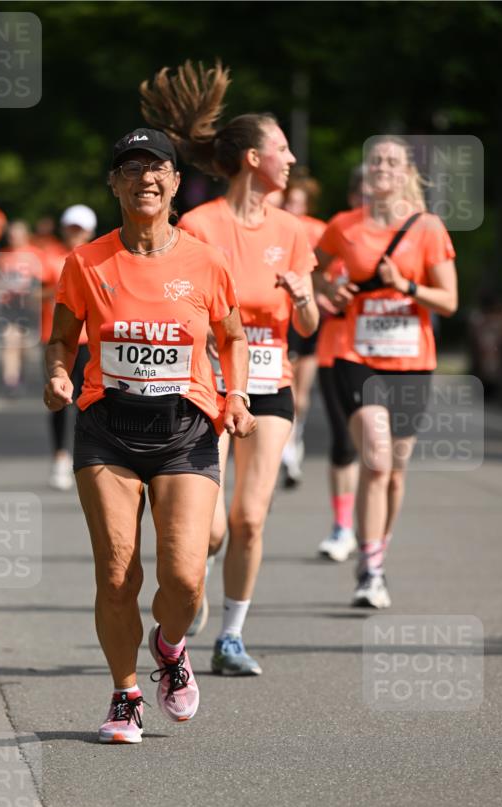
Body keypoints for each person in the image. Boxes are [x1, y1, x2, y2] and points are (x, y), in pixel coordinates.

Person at [43, 126, 255, 744]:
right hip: (107, 429)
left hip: (184, 429)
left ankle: (169, 646)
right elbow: (61, 337)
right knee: (117, 574)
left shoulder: (204, 261)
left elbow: (234, 337)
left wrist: (237, 395)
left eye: (156, 168)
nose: (145, 179)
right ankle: (126, 695)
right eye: (131, 169)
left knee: (185, 579)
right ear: (114, 184)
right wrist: (58, 373)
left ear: (175, 183)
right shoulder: (86, 262)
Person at [140, 60, 319, 672]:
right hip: (208, 387)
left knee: (249, 518)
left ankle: (232, 637)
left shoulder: (293, 230)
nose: (291, 159)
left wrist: (302, 300)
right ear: (251, 158)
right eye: (282, 149)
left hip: (270, 385)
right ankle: (195, 579)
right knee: (209, 529)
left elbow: (309, 328)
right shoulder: (199, 226)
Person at [315, 136, 457, 607]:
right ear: (367, 171)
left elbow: (449, 301)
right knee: (375, 456)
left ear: (404, 174)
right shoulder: (343, 226)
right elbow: (316, 268)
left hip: (412, 362)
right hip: (357, 358)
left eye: (392, 161)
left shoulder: (428, 228)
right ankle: (370, 571)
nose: (381, 166)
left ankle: (376, 550)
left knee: (395, 470)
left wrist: (408, 285)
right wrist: (327, 293)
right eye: (375, 158)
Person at [315, 166, 364, 562]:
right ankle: (342, 526)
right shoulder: (338, 241)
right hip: (337, 352)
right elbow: (315, 283)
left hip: (388, 360)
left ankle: (373, 528)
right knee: (344, 441)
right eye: (362, 194)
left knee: (382, 451)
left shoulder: (405, 243)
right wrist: (328, 297)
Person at [38, 205, 97, 490]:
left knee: (90, 402)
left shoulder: (98, 260)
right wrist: (63, 289)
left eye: (80, 229)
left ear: (89, 231)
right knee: (59, 400)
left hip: (90, 341)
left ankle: (88, 457)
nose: (75, 234)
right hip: (55, 339)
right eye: (71, 228)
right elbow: (32, 293)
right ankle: (60, 457)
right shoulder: (50, 258)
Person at [280, 172, 327, 487]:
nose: (293, 206)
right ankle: (286, 449)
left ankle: (295, 439)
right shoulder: (275, 228)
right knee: (287, 390)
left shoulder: (319, 231)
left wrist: (324, 293)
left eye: (298, 201)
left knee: (302, 396)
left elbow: (329, 270)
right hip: (281, 316)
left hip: (309, 315)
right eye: (289, 200)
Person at [0, 220, 43, 395]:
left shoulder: (36, 255)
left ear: (26, 236)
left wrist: (29, 289)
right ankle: (11, 381)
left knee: (23, 347)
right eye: (10, 235)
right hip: (9, 306)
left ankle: (19, 374)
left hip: (29, 307)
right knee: (10, 342)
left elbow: (41, 281)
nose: (13, 238)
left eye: (17, 235)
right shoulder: (3, 256)